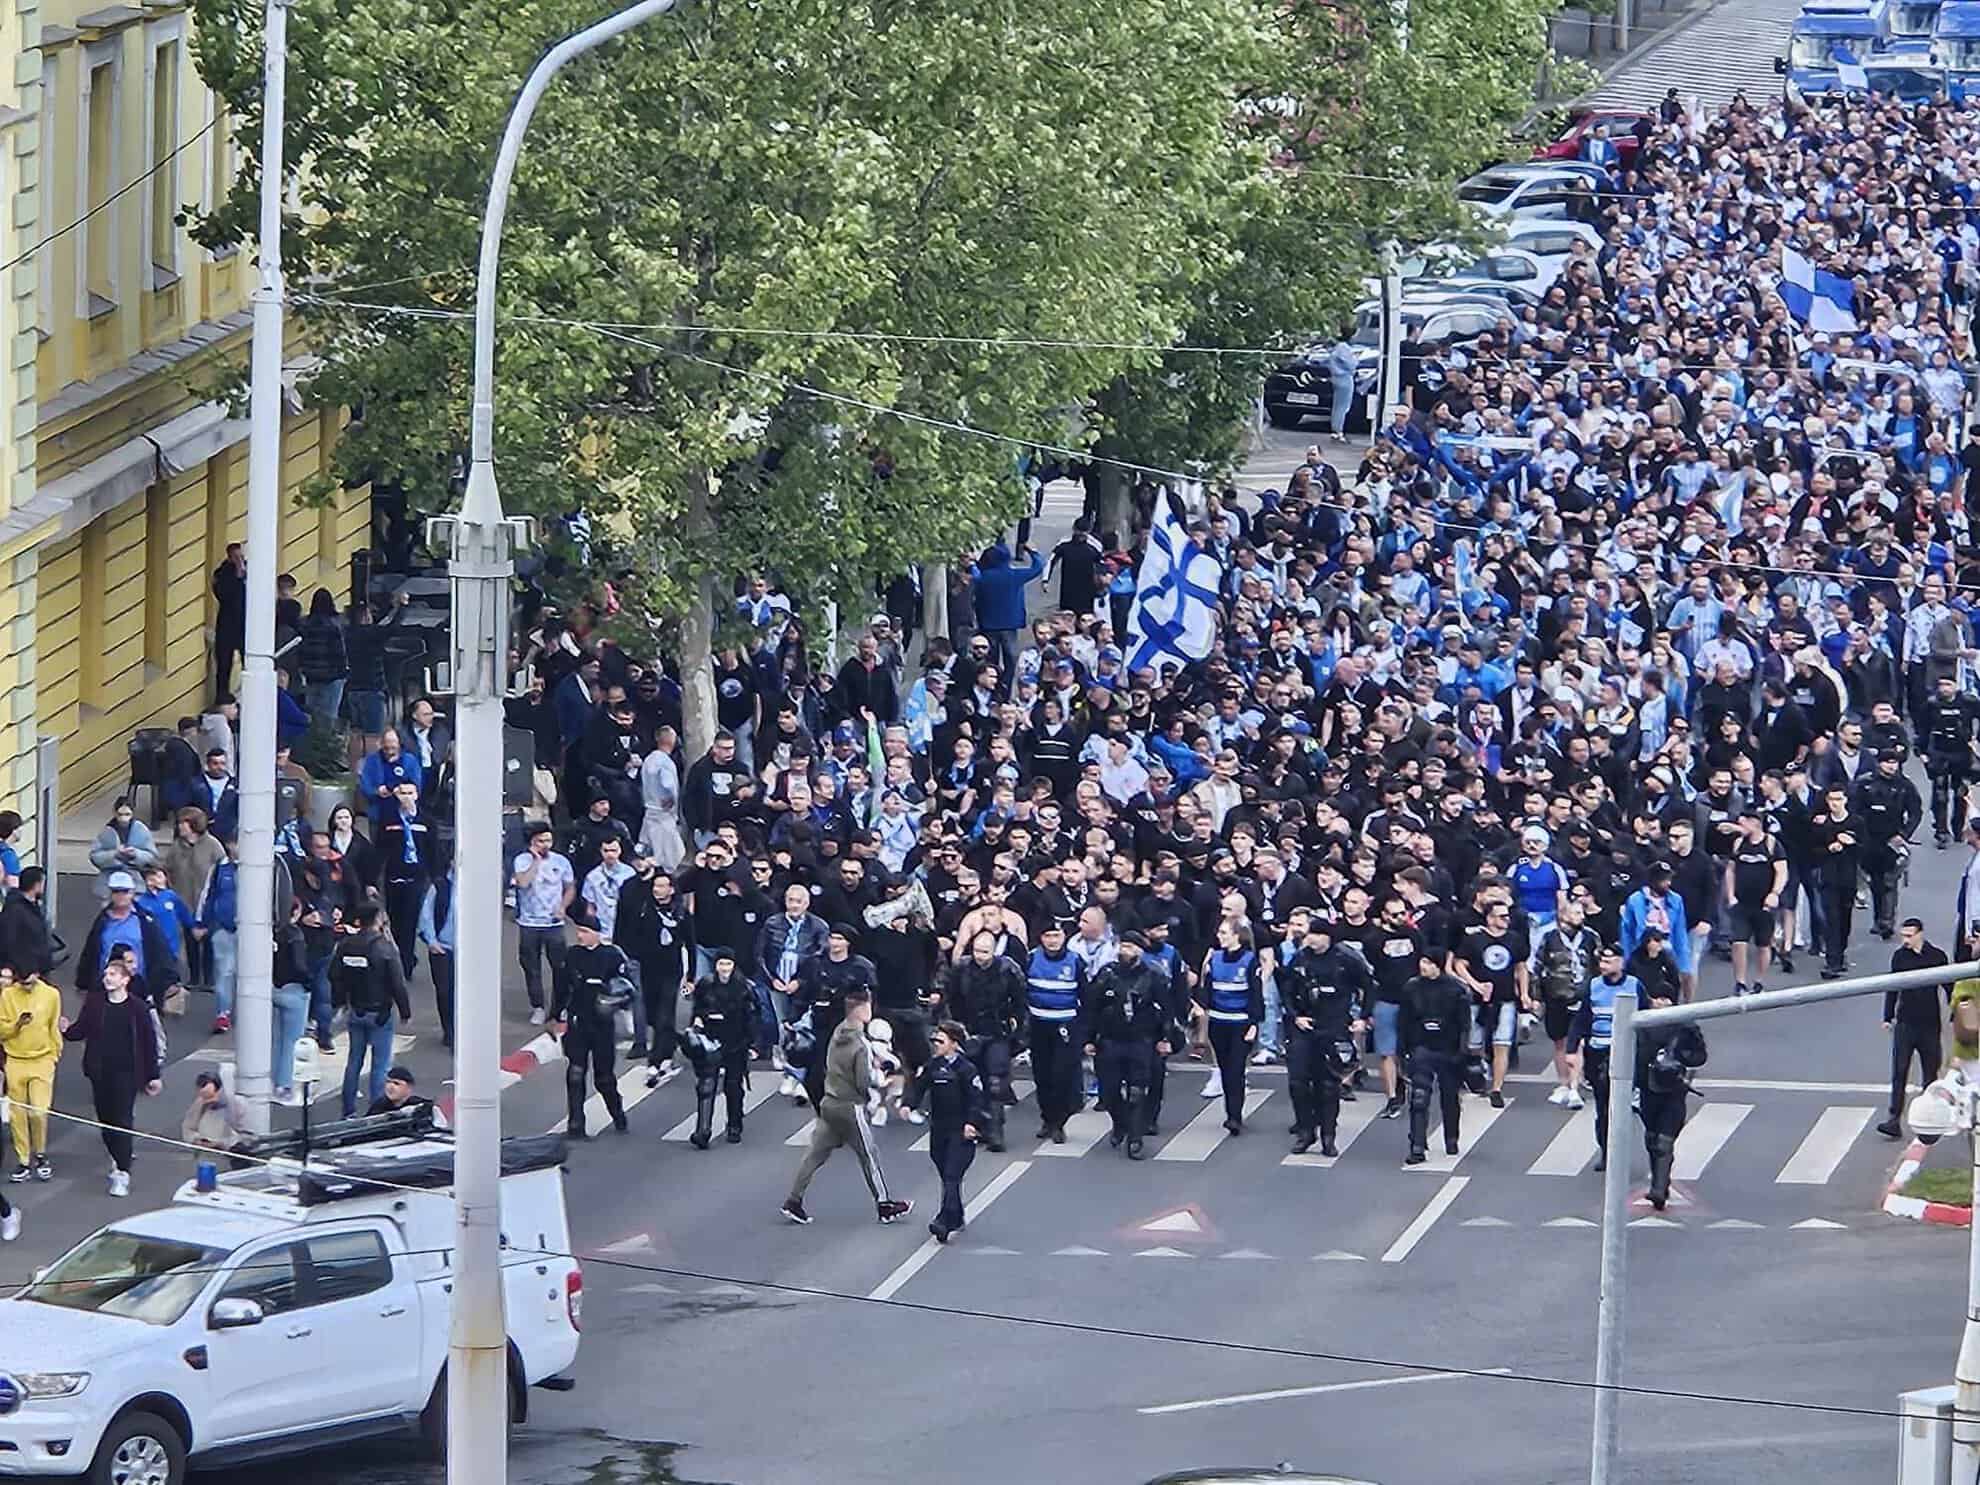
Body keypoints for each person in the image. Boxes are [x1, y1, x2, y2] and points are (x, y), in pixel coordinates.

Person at [782, 987, 914, 1224]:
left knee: (814, 1154)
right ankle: (884, 1205)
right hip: (850, 1107)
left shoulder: (838, 1032)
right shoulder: (860, 1044)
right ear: (863, 1009)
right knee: (869, 1155)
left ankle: (793, 1201)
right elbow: (863, 1081)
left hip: (829, 1102)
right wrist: (880, 1077)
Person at [63, 956, 164, 1197]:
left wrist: (153, 1075)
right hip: (100, 1072)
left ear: (125, 980)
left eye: (113, 975)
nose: (108, 979)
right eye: (106, 974)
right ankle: (117, 1158)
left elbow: (149, 1043)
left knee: (122, 1120)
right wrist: (66, 1030)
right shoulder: (96, 1003)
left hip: (127, 1073)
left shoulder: (137, 1008)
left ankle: (122, 1171)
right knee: (106, 1121)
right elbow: (81, 1029)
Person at [1280, 919, 1366, 1156]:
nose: (1310, 939)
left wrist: (1364, 1017)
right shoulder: (1300, 958)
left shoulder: (1345, 959)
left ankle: (1328, 1135)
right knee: (1298, 1081)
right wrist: (1295, 1015)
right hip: (1305, 1026)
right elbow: (1286, 988)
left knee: (1328, 1085)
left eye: (1315, 935)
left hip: (1334, 1026)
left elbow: (1368, 985)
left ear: (1326, 937)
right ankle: (1305, 1131)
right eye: (1309, 935)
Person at [1083, 931, 1171, 1160]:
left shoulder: (1152, 975)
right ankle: (1120, 1123)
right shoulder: (1107, 974)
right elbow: (1092, 1008)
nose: (1125, 951)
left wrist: (1166, 1038)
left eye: (1131, 947)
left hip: (1141, 1041)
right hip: (1110, 1041)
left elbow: (1166, 1010)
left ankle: (1135, 1138)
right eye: (1123, 946)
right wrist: (1088, 1039)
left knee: (1136, 1092)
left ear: (1140, 951)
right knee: (1109, 1091)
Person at [554, 907, 634, 1138]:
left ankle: (618, 1115)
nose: (580, 935)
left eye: (585, 931)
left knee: (604, 1078)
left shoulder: (612, 955)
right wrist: (555, 1015)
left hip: (602, 1024)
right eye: (578, 930)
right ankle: (576, 1124)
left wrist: (612, 1001)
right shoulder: (572, 955)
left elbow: (627, 989)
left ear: (597, 933)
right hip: (579, 1021)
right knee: (575, 1073)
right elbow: (561, 988)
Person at [906, 1020, 987, 1243]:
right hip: (939, 1129)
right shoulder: (933, 1065)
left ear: (954, 1043)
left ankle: (944, 1221)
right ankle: (957, 1215)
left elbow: (977, 1099)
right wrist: (908, 1104)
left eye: (941, 1041)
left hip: (960, 1131)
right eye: (935, 1041)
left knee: (952, 1175)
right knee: (946, 1175)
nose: (936, 1045)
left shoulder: (967, 1070)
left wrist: (972, 1123)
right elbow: (918, 1087)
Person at [331, 901, 413, 1117]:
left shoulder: (346, 945)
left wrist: (341, 1001)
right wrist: (405, 1011)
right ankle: (377, 1113)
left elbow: (334, 975)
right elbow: (397, 982)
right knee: (380, 1066)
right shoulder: (384, 948)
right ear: (377, 920)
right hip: (380, 1013)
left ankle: (348, 1111)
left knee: (354, 1062)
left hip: (355, 1009)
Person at [949, 930, 1025, 1151]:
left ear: (994, 951)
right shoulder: (962, 969)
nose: (980, 956)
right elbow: (951, 998)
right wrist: (956, 1030)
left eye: (985, 952)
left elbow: (1021, 1002)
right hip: (969, 1032)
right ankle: (977, 1125)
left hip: (997, 1032)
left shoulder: (1007, 969)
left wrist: (1018, 1033)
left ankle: (995, 1131)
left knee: (995, 1081)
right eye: (976, 951)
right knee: (973, 1081)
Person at [1570, 946, 1639, 1172]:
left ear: (1621, 962)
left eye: (1609, 961)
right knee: (1603, 1108)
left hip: (1624, 1053)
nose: (1604, 966)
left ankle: (1620, 1150)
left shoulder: (1634, 986)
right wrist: (1572, 1048)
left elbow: (1646, 1017)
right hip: (1598, 1054)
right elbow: (1582, 1019)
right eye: (1602, 961)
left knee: (1620, 1107)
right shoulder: (1593, 986)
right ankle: (1606, 1152)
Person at [1529, 894, 1602, 1109]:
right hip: (1556, 996)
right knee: (1559, 1041)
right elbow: (1538, 967)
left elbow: (1598, 966)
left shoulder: (1591, 937)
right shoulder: (1549, 937)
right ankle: (1563, 1082)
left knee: (1578, 1041)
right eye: (1576, 912)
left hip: (1582, 995)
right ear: (1563, 915)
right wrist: (1536, 998)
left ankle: (1575, 1084)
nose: (1581, 916)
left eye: (1581, 913)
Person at [1882, 918, 1949, 1139]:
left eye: (1910, 935)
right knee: (1899, 1071)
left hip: (1929, 1024)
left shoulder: (1937, 956)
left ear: (1921, 934)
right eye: (1904, 935)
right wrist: (1888, 1016)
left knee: (1931, 1073)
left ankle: (1931, 1120)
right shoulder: (1900, 957)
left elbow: (1949, 985)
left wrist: (1956, 1010)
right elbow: (1893, 987)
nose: (1906, 940)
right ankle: (1893, 1119)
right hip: (1905, 1023)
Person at [1401, 947, 1469, 1165]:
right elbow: (1403, 1021)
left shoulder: (1456, 989)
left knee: (1450, 1097)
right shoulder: (1411, 988)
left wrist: (1462, 1052)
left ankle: (1451, 1137)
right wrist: (1403, 1050)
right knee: (1419, 1097)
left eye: (1429, 963)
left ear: (1438, 965)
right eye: (1422, 962)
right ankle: (1417, 1146)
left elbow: (1464, 1024)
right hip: (1421, 1047)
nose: (1424, 966)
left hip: (1448, 1049)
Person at [1196, 920, 1263, 1137]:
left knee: (1236, 1070)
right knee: (1225, 1069)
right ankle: (1230, 1111)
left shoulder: (1249, 960)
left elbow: (1255, 993)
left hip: (1240, 1023)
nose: (1220, 936)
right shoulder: (1214, 959)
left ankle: (1235, 1116)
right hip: (1218, 1022)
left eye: (1224, 932)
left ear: (1237, 936)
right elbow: (1206, 990)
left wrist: (1254, 1023)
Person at [77, 869, 182, 1006]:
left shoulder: (145, 920)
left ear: (132, 893)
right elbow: (91, 951)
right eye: (116, 891)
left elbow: (160, 950)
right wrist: (83, 983)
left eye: (125, 891)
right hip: (106, 985)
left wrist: (170, 980)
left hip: (138, 988)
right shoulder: (102, 920)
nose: (120, 895)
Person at [1024, 920, 1087, 1142]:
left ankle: (1059, 1123)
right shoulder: (1031, 958)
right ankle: (1047, 1119)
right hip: (1038, 1026)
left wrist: (1085, 1033)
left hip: (1065, 1026)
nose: (1052, 941)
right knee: (1042, 1077)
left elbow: (1086, 996)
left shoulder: (1075, 961)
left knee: (1061, 1076)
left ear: (1064, 938)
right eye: (1048, 936)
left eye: (1056, 936)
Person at [685, 948, 755, 1149]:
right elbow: (696, 1008)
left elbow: (752, 1017)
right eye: (721, 964)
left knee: (733, 1086)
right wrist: (697, 1023)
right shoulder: (705, 984)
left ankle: (734, 1126)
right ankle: (703, 1130)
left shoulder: (744, 987)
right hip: (711, 1039)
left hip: (736, 1041)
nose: (724, 968)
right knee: (706, 1085)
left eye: (728, 964)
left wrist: (753, 1043)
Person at [0, 963, 62, 1182]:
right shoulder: (7, 996)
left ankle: (41, 1154)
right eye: (22, 982)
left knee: (38, 1111)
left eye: (30, 981)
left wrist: (55, 1054)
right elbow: (1, 1030)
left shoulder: (51, 995)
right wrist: (17, 1025)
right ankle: (23, 1160)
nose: (26, 986)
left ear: (37, 973)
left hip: (42, 1060)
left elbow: (53, 1026)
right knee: (17, 1114)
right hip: (15, 1060)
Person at [512, 822, 576, 1025]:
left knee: (561, 966)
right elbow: (522, 883)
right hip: (529, 923)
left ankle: (561, 1007)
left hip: (553, 923)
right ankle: (538, 1006)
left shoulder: (562, 861)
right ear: (532, 842)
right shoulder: (522, 860)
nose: (545, 844)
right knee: (531, 967)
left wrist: (563, 907)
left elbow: (570, 887)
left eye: (548, 840)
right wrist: (536, 861)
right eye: (540, 841)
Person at [1723, 808, 1785, 998]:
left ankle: (1759, 981)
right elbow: (1730, 870)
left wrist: (1774, 893)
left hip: (1763, 904)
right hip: (1742, 903)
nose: (1740, 827)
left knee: (1763, 944)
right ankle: (1740, 982)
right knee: (1738, 942)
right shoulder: (1738, 844)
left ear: (1755, 823)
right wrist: (1731, 895)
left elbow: (1782, 871)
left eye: (1744, 823)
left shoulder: (1772, 844)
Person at [377, 779, 436, 976]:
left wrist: (437, 877)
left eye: (410, 793)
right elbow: (380, 849)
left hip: (417, 878)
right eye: (402, 793)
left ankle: (406, 963)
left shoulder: (426, 820)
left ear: (417, 795)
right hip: (394, 876)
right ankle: (400, 956)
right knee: (395, 920)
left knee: (410, 921)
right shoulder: (389, 820)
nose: (407, 797)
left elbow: (434, 850)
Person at [416, 854, 457, 1049]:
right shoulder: (440, 886)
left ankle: (463, 1030)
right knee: (444, 991)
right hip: (444, 948)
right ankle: (449, 1030)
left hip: (469, 952)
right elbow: (426, 915)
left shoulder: (478, 887)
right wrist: (432, 942)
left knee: (466, 993)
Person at [88, 798, 158, 901]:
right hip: (110, 881)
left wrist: (136, 854)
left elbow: (152, 856)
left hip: (136, 881)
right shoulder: (106, 832)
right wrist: (114, 854)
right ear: (115, 813)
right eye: (120, 814)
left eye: (127, 814)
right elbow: (95, 856)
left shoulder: (141, 830)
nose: (123, 818)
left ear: (132, 814)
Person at [181, 1070, 251, 1154]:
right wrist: (196, 1140)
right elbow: (187, 1129)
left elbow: (248, 1137)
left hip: (231, 1154)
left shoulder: (237, 1104)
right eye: (205, 1099)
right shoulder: (199, 1104)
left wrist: (222, 1143)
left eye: (211, 1098)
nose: (208, 1102)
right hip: (204, 1153)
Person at [212, 541, 247, 700]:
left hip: (245, 623)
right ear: (229, 557)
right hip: (227, 623)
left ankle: (248, 694)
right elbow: (223, 596)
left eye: (241, 556)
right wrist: (238, 577)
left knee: (249, 661)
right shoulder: (222, 573)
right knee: (224, 664)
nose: (239, 560)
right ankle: (222, 697)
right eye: (236, 557)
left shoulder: (252, 569)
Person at [367, 1065, 434, 1118]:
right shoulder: (378, 1107)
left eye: (396, 1083)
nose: (390, 1087)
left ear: (409, 1087)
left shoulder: (420, 1107)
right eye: (388, 1082)